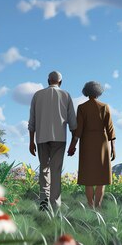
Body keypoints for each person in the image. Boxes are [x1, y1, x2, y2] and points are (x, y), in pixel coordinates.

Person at [28, 71, 77, 211]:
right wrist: (74, 142)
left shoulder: (37, 95)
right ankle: (55, 205)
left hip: (41, 138)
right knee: (55, 172)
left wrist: (31, 141)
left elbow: (32, 120)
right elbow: (73, 123)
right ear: (60, 82)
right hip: (59, 138)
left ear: (48, 80)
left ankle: (43, 204)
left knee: (43, 169)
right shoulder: (66, 95)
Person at [68, 81, 116, 209]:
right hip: (102, 142)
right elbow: (110, 128)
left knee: (88, 178)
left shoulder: (82, 108)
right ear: (98, 92)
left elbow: (78, 131)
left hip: (87, 143)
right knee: (101, 177)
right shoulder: (104, 106)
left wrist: (72, 145)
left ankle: (90, 206)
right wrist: (113, 147)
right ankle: (98, 205)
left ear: (86, 92)